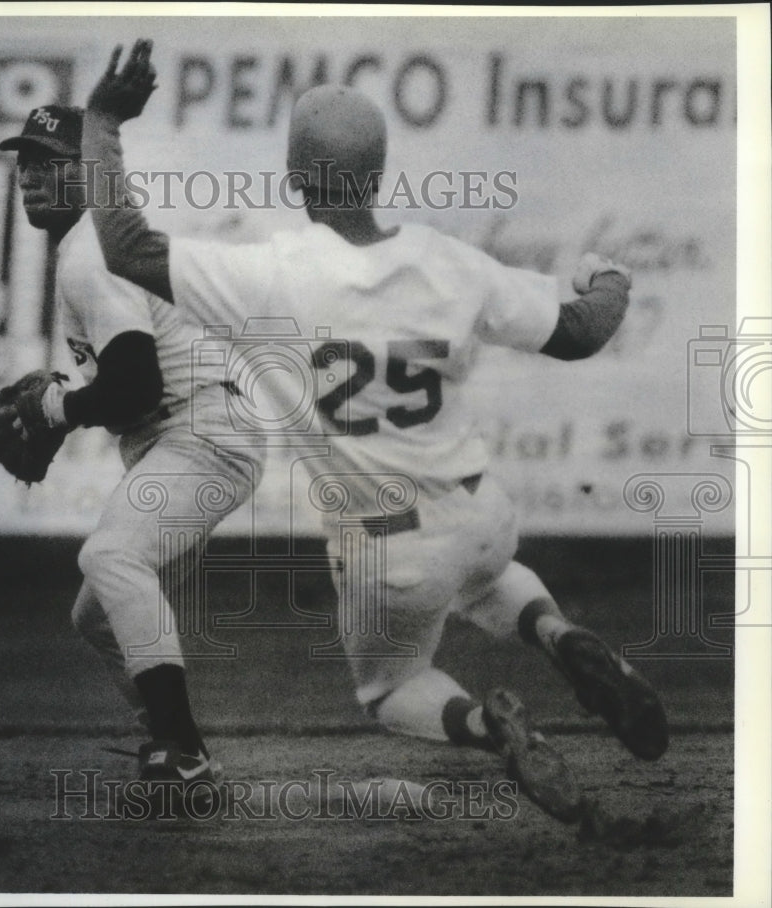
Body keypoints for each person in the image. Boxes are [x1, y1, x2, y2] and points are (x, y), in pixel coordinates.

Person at [78, 40, 670, 822]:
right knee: (491, 577)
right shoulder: (449, 262)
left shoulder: (273, 275)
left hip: (389, 546)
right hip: (483, 512)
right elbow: (581, 331)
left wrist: (104, 121)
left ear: (295, 179)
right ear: (380, 173)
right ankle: (557, 633)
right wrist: (611, 278)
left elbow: (124, 247)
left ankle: (494, 727)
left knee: (393, 688)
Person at [0, 104, 265, 797]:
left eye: (47, 163)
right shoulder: (85, 248)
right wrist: (66, 403)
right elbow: (126, 386)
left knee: (111, 556)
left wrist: (59, 408)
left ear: (87, 173)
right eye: (23, 161)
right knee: (94, 614)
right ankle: (185, 752)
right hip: (184, 434)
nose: (29, 176)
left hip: (203, 430)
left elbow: (137, 380)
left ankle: (181, 751)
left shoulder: (92, 251)